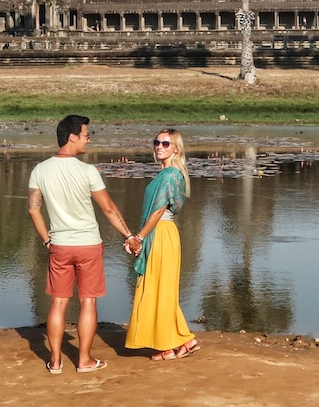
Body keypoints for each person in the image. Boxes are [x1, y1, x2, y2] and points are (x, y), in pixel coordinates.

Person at [28, 114, 139, 374]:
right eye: (86, 135)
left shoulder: (39, 170)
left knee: (58, 302)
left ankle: (55, 362)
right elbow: (109, 209)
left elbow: (34, 210)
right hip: (88, 245)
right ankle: (84, 360)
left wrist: (47, 240)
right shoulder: (88, 171)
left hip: (59, 246)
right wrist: (129, 236)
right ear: (72, 137)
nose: (89, 140)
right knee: (88, 301)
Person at [125, 128, 199, 360]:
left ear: (176, 148)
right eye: (157, 142)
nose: (159, 147)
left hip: (160, 233)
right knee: (160, 288)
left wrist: (139, 237)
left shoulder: (169, 175)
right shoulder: (170, 173)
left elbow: (158, 211)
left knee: (158, 288)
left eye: (165, 144)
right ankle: (183, 341)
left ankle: (168, 345)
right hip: (164, 234)